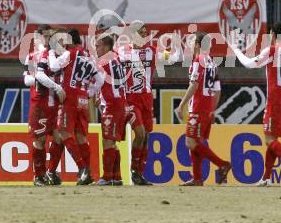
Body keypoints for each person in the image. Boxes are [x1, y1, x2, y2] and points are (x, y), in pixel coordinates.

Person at [228, 23, 281, 187]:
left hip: (277, 101)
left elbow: (249, 64)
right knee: (272, 139)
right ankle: (266, 178)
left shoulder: (272, 50)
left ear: (274, 34)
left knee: (269, 140)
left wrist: (235, 49)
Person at [117, 21, 180, 185]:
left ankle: (139, 172)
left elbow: (173, 58)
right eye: (141, 32)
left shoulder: (152, 50)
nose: (145, 35)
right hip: (130, 98)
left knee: (147, 136)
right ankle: (132, 169)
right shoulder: (122, 52)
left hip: (146, 98)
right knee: (140, 132)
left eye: (146, 33)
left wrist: (177, 45)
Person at [48, 28, 104, 185]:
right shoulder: (89, 56)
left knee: (64, 133)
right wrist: (88, 93)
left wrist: (51, 52)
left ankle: (83, 169)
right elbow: (99, 80)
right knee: (81, 137)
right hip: (83, 101)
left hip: (69, 99)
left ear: (70, 40)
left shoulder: (70, 54)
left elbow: (53, 67)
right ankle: (88, 173)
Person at [175, 32, 231, 186]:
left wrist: (181, 105)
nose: (190, 45)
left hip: (198, 108)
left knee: (190, 142)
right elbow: (218, 90)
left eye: (192, 42)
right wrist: (212, 109)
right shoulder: (212, 63)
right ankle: (197, 178)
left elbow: (195, 84)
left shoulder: (199, 60)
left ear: (198, 45)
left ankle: (222, 164)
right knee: (196, 142)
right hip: (207, 109)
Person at [23, 24, 66, 186]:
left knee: (60, 138)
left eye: (50, 36)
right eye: (46, 36)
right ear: (38, 36)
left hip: (54, 104)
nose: (48, 39)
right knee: (39, 140)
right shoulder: (32, 56)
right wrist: (42, 82)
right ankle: (38, 176)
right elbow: (27, 80)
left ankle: (51, 172)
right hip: (40, 104)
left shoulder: (53, 54)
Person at [94, 35, 128, 186]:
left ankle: (107, 178)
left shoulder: (103, 61)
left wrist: (91, 93)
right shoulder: (116, 58)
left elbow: (99, 80)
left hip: (112, 105)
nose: (96, 49)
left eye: (98, 46)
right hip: (120, 102)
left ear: (106, 47)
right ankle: (117, 177)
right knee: (113, 142)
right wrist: (100, 97)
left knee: (107, 141)